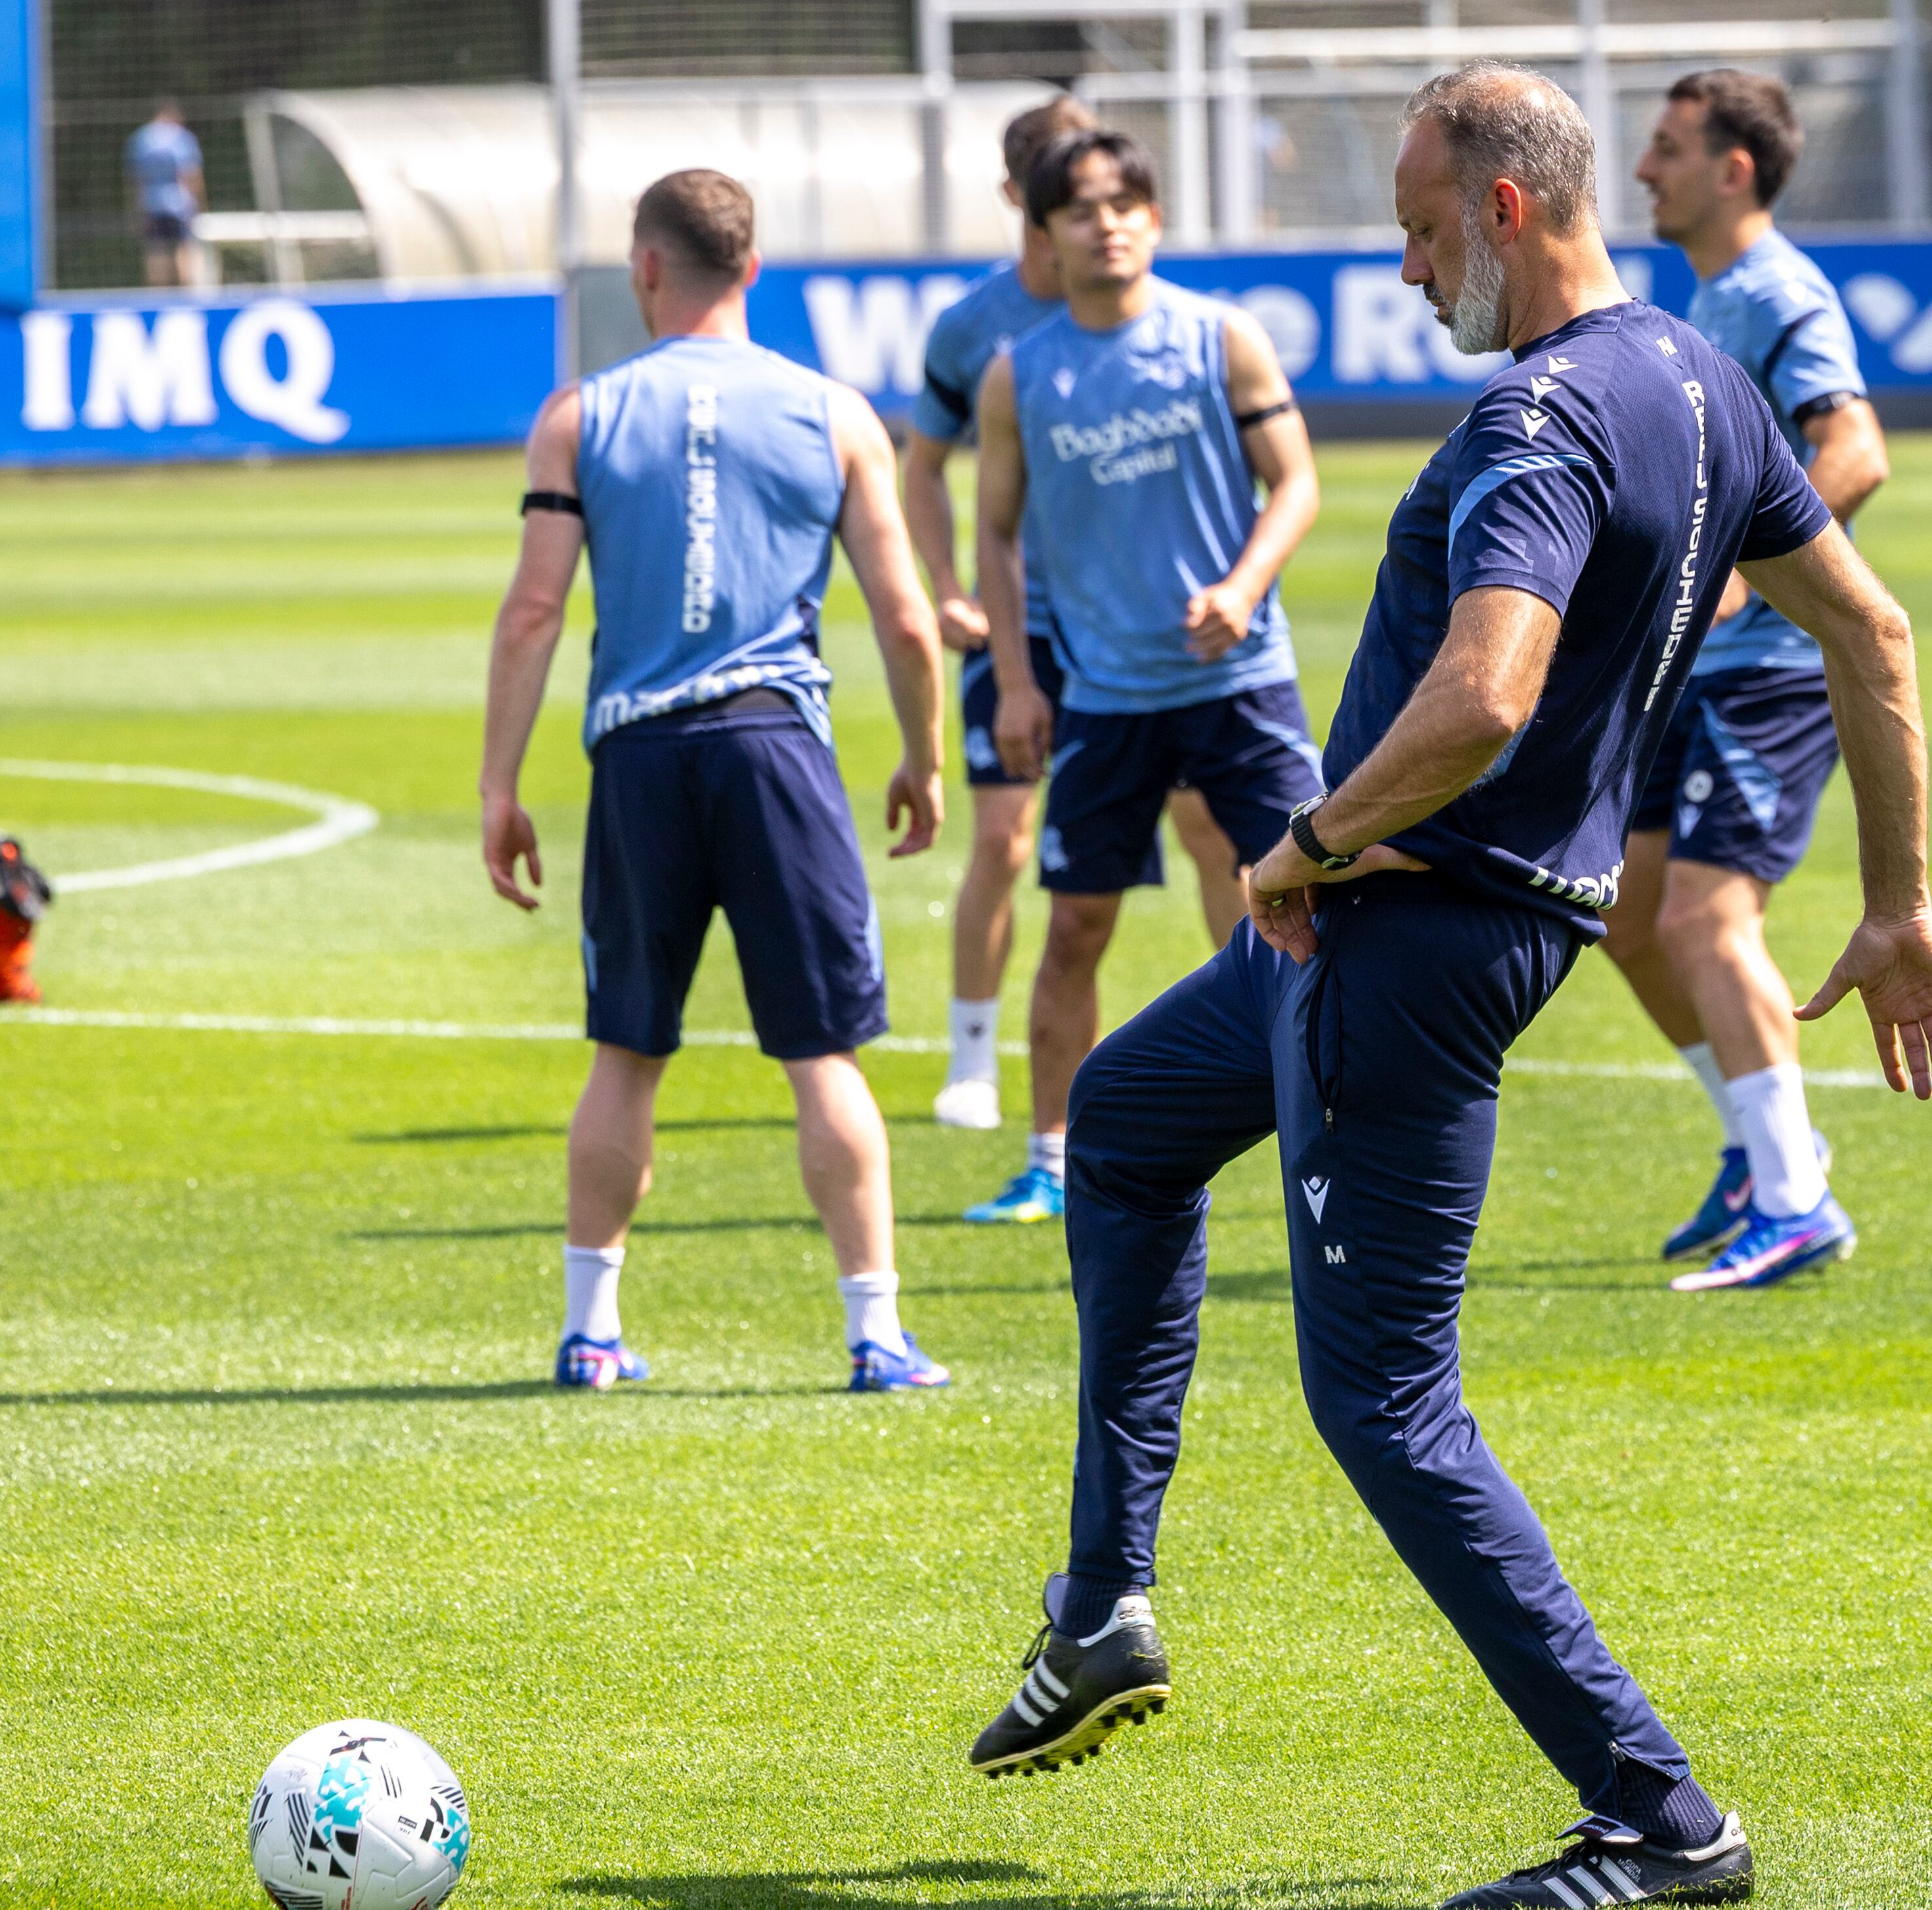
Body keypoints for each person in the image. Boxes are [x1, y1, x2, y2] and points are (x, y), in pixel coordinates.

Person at [961, 64, 1932, 1910]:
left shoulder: (1541, 417)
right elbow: (1875, 631)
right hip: (1406, 931)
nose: (1414, 273)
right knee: (1121, 1125)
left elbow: (1489, 691)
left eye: (1426, 232)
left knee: (1388, 1409)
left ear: (1508, 207)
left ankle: (1663, 1822)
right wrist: (1895, 902)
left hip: (1408, 941)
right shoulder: (1697, 379)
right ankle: (1102, 1602)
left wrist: (1303, 845)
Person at [476, 169, 955, 1394]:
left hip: (638, 754)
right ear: (753, 269)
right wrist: (925, 756)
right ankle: (874, 1333)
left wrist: (500, 784)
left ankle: (590, 1331)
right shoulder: (836, 413)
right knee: (823, 1053)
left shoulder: (577, 415)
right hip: (774, 749)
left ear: (645, 268)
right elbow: (905, 617)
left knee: (626, 1051)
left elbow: (534, 610)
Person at [957, 125, 1325, 1228]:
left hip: (1241, 684)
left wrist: (1246, 585)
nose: (1107, 224)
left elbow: (1295, 481)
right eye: (1081, 209)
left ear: (1153, 220)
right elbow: (995, 538)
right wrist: (1018, 683)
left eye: (1125, 204)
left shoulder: (1222, 339)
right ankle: (1049, 1158)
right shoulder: (1020, 374)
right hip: (1109, 701)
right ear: (1046, 232)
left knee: (1306, 908)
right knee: (1075, 929)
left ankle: (1324, 1138)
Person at [901, 96, 1250, 1136]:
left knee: (1209, 830)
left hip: (1137, 626)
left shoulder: (1174, 320)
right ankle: (973, 1063)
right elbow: (923, 468)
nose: (1095, 204)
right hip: (1031, 625)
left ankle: (1249, 1040)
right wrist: (949, 587)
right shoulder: (977, 329)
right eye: (1065, 183)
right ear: (1024, 200)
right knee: (1008, 840)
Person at [1616, 68, 1893, 1291]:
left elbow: (1854, 448)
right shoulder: (1714, 297)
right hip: (1696, 664)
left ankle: (1797, 1198)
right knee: (1627, 910)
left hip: (1768, 668)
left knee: (1704, 918)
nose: (1643, 170)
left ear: (1735, 169)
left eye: (1668, 148)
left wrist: (1738, 563)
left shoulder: (1779, 291)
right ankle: (1751, 1143)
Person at [125, 100, 206, 289]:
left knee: (156, 249)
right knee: (184, 247)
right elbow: (190, 174)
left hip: (151, 203)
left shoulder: (141, 139)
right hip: (180, 203)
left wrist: (135, 209)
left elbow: (135, 179)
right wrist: (199, 203)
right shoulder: (181, 137)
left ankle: (159, 295)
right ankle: (186, 292)